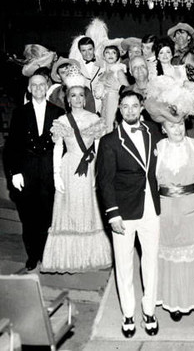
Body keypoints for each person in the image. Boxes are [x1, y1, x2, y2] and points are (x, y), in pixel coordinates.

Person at [96, 91, 163, 338]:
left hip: (151, 210)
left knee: (151, 263)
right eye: (125, 107)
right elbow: (105, 182)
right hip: (123, 213)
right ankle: (128, 314)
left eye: (135, 106)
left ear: (141, 108)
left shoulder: (153, 133)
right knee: (124, 265)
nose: (131, 111)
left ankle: (149, 311)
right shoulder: (109, 141)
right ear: (119, 110)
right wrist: (113, 215)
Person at [144, 78, 194, 321]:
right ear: (163, 128)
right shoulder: (157, 149)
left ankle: (192, 298)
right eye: (172, 125)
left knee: (190, 254)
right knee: (167, 253)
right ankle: (173, 302)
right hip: (166, 211)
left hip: (192, 209)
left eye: (180, 124)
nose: (177, 129)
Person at [41, 73, 112, 273]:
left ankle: (89, 256)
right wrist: (56, 174)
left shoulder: (94, 119)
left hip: (89, 167)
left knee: (90, 209)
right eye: (73, 95)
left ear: (85, 97)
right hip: (68, 167)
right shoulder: (62, 120)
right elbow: (57, 148)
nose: (78, 99)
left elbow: (99, 148)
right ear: (68, 99)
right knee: (69, 210)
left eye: (81, 95)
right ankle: (68, 258)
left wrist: (98, 174)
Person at [4, 72, 64, 270]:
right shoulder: (20, 113)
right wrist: (15, 173)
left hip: (49, 171)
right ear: (29, 89)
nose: (38, 88)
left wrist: (61, 173)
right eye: (34, 85)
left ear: (47, 87)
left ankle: (46, 254)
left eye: (41, 85)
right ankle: (32, 255)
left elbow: (64, 146)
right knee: (28, 217)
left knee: (47, 216)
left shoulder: (58, 112)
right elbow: (12, 146)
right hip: (27, 170)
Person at [93, 45, 130, 133]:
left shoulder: (118, 71)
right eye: (107, 52)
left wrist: (117, 88)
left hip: (114, 101)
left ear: (117, 56)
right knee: (104, 126)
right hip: (104, 103)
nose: (110, 55)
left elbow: (127, 90)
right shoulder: (102, 74)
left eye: (113, 53)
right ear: (104, 56)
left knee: (111, 126)